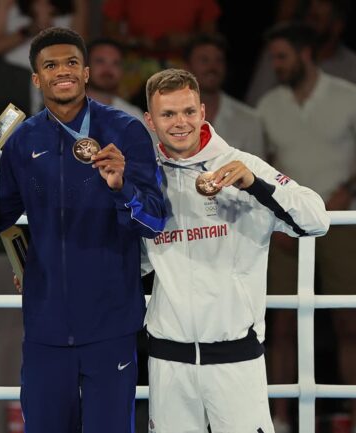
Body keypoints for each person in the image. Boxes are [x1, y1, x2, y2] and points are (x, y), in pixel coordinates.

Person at [0, 27, 167, 432]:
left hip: (111, 322)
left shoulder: (125, 131)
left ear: (86, 72)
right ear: (37, 78)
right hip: (46, 324)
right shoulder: (22, 142)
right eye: (50, 65)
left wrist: (123, 188)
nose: (63, 72)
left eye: (71, 62)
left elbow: (155, 221)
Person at [141, 68, 329, 433]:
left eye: (188, 112)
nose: (180, 123)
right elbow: (132, 262)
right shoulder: (145, 179)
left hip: (235, 359)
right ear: (150, 120)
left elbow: (316, 219)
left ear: (203, 111)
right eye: (168, 114)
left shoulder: (243, 165)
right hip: (168, 362)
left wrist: (256, 185)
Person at [256, 21, 356, 432]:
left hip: (341, 218)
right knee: (279, 322)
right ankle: (280, 418)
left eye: (282, 57)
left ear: (305, 54)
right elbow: (262, 164)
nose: (276, 65)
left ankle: (352, 416)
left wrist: (347, 191)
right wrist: (280, 210)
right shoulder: (267, 105)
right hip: (285, 223)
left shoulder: (348, 96)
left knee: (348, 320)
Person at [0, 0, 88, 119]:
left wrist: (50, 30)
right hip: (12, 77)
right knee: (3, 134)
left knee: (55, 134)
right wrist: (29, 30)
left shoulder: (78, 2)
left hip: (57, 77)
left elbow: (79, 51)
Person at [246, 0, 356, 106]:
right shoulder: (280, 49)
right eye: (308, 17)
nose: (308, 28)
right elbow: (254, 104)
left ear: (338, 25)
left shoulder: (352, 69)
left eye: (316, 19)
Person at [184, 33, 266, 159]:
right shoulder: (167, 118)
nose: (212, 67)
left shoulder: (249, 120)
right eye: (204, 60)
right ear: (187, 68)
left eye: (219, 60)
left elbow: (258, 174)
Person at [85, 37, 157, 143]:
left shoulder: (133, 116)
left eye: (115, 63)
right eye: (100, 61)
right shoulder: (63, 112)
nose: (108, 70)